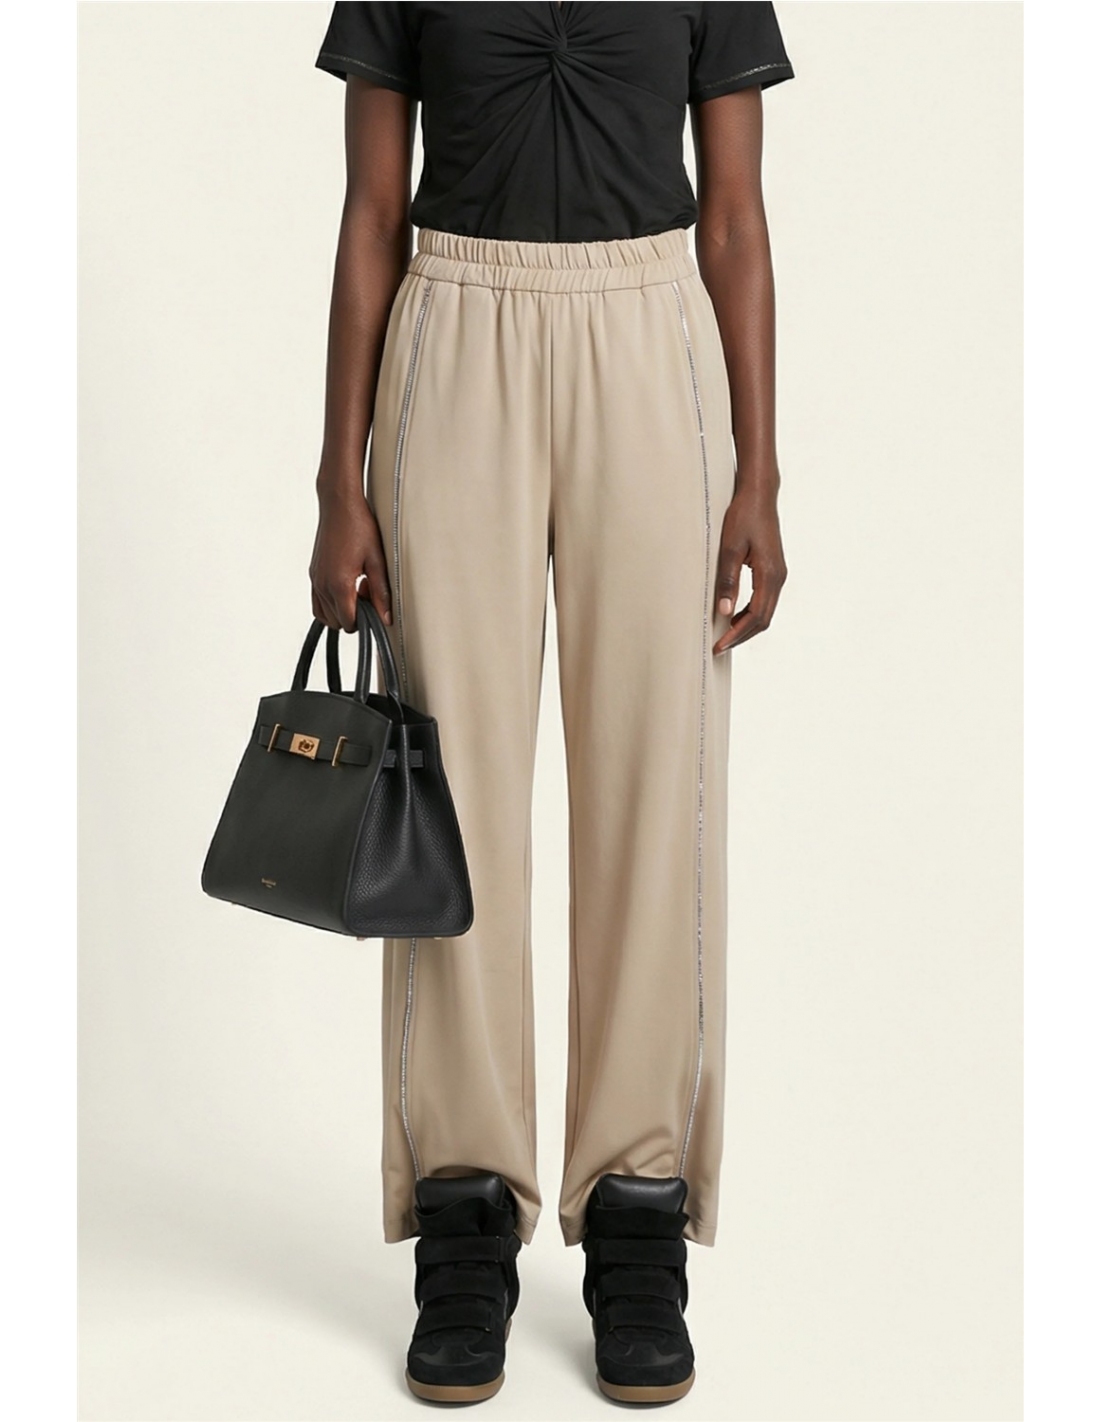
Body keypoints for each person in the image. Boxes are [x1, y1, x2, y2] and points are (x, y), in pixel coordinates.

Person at [311, 1, 793, 1405]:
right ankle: (465, 1209)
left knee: (658, 788)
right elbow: (371, 214)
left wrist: (761, 473)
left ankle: (638, 1206)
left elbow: (735, 221)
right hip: (454, 329)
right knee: (445, 799)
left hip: (652, 332)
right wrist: (338, 482)